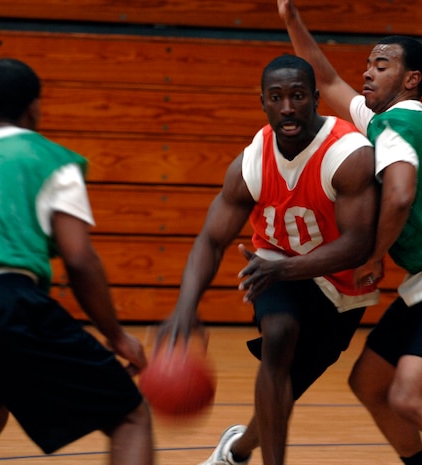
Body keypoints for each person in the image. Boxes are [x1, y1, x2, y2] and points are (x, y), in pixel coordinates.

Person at [277, 2, 422, 465]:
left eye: (381, 64)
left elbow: (398, 195)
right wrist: (292, 20)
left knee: (411, 396)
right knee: (371, 383)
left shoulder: (395, 125)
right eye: (367, 65)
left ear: (411, 78)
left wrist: (372, 256)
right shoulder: (394, 120)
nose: (367, 73)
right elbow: (328, 80)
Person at [156, 54, 378, 465]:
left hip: (340, 284)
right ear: (263, 102)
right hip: (274, 267)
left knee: (286, 388)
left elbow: (359, 243)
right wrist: (185, 309)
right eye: (276, 97)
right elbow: (210, 240)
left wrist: (283, 268)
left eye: (297, 96)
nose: (288, 108)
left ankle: (237, 450)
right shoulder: (252, 162)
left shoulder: (348, 154)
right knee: (278, 336)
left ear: (315, 98)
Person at [0, 58, 154, 465]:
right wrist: (117, 336)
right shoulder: (51, 159)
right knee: (130, 416)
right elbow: (79, 258)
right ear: (33, 107)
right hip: (6, 303)